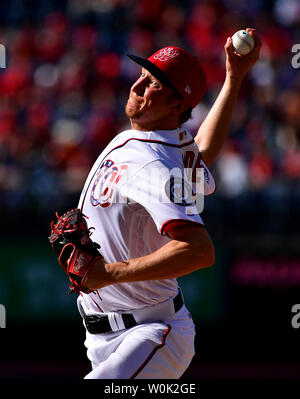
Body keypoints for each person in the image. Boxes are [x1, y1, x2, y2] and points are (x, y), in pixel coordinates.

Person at [75, 29, 261, 379]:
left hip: (151, 332)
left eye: (154, 83)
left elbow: (199, 250)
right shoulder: (167, 144)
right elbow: (202, 151)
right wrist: (234, 79)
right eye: (144, 75)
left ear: (177, 106)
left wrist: (108, 274)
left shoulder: (152, 164)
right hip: (106, 336)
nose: (139, 85)